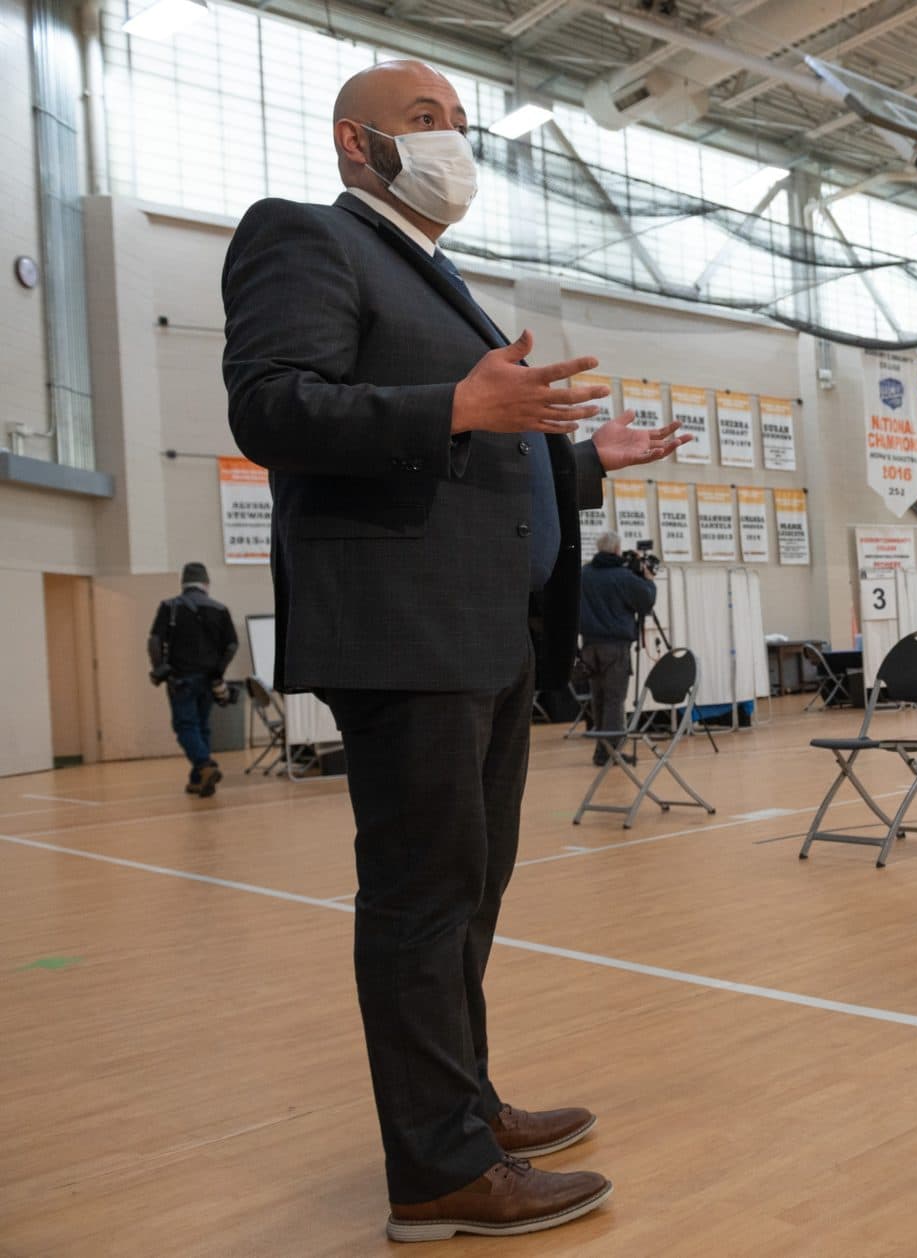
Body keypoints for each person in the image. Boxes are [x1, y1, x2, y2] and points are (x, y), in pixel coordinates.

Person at [222, 60, 689, 1243]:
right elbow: (272, 406)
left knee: (471, 893)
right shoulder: (304, 238)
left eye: (458, 124)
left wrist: (588, 463)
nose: (452, 141)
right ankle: (436, 1172)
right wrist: (455, 406)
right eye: (426, 121)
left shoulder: (434, 273)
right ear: (355, 143)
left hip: (482, 632)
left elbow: (481, 447)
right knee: (425, 902)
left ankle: (464, 1109)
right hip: (405, 626)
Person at [147, 561, 239, 798]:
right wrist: (219, 671)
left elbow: (154, 640)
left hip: (181, 679)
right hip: (209, 680)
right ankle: (198, 779)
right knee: (202, 726)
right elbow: (231, 645)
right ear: (206, 583)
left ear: (183, 583)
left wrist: (160, 668)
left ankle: (205, 765)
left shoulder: (170, 607)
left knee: (185, 726)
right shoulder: (220, 609)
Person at [577, 532, 657, 764]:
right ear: (616, 550)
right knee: (614, 699)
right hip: (615, 647)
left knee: (598, 698)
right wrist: (648, 579)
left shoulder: (584, 574)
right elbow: (646, 600)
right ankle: (610, 752)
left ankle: (601, 750)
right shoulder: (622, 576)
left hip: (590, 646)